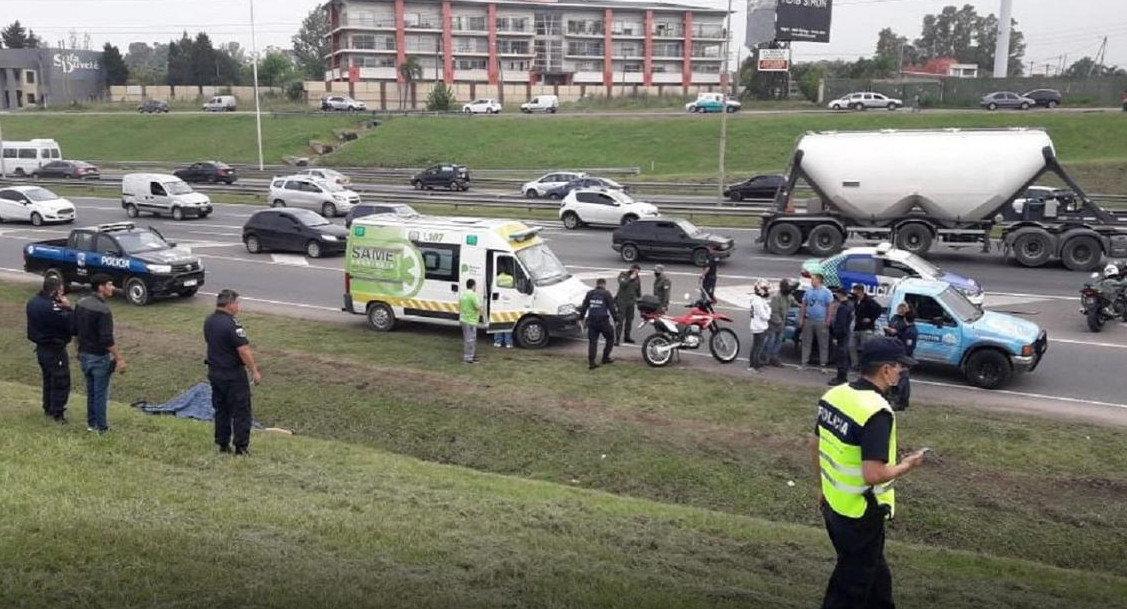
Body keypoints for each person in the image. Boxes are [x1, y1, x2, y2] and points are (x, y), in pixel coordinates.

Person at [812, 337, 929, 609]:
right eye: (900, 366)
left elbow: (815, 443)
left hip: (833, 506)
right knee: (849, 588)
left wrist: (820, 486)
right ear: (886, 370)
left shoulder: (835, 395)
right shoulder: (877, 412)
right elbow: (874, 474)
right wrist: (908, 465)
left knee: (876, 579)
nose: (902, 372)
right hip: (861, 514)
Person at [203, 289, 262, 455]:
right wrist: (254, 371)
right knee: (241, 410)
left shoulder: (209, 321)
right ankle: (241, 447)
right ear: (229, 305)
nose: (239, 306)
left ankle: (222, 444)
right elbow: (243, 350)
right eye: (237, 303)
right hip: (232, 375)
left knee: (221, 409)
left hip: (215, 372)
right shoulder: (231, 324)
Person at [72, 274, 127, 434]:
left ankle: (91, 424)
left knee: (91, 392)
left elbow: (74, 331)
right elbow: (107, 340)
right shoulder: (103, 311)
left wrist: (77, 350)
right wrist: (119, 358)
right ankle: (102, 428)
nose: (113, 288)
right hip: (99, 357)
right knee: (100, 393)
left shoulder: (81, 303)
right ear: (101, 287)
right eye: (110, 285)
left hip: (84, 355)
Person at [26, 276, 74, 424]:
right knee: (60, 380)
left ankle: (48, 407)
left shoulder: (33, 302)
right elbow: (70, 325)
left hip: (41, 348)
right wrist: (68, 308)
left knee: (48, 379)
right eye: (61, 290)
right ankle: (57, 413)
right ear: (56, 291)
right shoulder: (52, 307)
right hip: (54, 348)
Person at [578, 278, 619, 370]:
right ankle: (605, 357)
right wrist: (616, 319)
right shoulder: (606, 294)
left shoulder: (590, 293)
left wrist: (581, 318)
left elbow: (584, 306)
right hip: (603, 321)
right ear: (604, 285)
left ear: (596, 284)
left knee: (592, 342)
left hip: (592, 321)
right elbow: (612, 308)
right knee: (610, 337)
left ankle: (591, 362)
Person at [884, 303, 918, 411]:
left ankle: (899, 401)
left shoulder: (910, 332)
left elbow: (908, 347)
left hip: (904, 357)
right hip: (902, 356)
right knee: (904, 379)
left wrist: (902, 359)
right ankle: (903, 401)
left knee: (902, 379)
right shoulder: (906, 329)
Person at [799, 273, 834, 372]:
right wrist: (801, 318)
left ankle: (823, 364)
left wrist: (828, 319)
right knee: (806, 342)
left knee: (823, 343)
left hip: (821, 320)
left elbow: (830, 306)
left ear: (819, 280)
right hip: (809, 319)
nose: (811, 281)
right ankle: (804, 363)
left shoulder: (826, 292)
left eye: (813, 279)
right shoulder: (808, 291)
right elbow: (804, 304)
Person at [850, 285, 883, 371]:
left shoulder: (869, 301)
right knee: (851, 346)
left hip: (866, 328)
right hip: (857, 327)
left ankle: (865, 365)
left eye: (855, 292)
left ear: (860, 292)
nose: (854, 294)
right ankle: (855, 364)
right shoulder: (856, 301)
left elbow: (879, 309)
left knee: (865, 348)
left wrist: (871, 319)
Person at [763, 278, 795, 367]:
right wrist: (780, 322)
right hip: (773, 323)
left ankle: (774, 357)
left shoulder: (788, 296)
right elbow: (774, 313)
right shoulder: (776, 297)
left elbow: (792, 301)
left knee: (779, 341)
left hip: (782, 322)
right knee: (771, 340)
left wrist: (800, 304)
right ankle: (765, 357)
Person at [828, 288, 855, 386]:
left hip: (841, 335)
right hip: (846, 333)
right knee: (844, 356)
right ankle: (842, 376)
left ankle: (841, 377)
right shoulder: (850, 305)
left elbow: (841, 323)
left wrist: (836, 336)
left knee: (841, 356)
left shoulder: (842, 307)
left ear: (840, 294)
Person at [747, 280, 771, 372]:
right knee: (757, 347)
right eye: (765, 289)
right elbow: (765, 316)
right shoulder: (758, 302)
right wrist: (768, 310)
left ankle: (754, 364)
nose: (767, 291)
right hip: (759, 326)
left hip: (758, 325)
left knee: (756, 346)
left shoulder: (758, 300)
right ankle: (754, 366)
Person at [615, 264, 642, 345]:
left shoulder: (637, 278)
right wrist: (630, 278)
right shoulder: (623, 275)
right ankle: (617, 338)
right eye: (635, 270)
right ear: (632, 269)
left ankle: (627, 336)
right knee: (620, 320)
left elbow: (638, 290)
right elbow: (622, 284)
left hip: (631, 302)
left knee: (629, 321)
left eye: (638, 271)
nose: (636, 273)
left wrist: (640, 300)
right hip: (622, 301)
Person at [459, 278, 482, 364]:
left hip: (463, 319)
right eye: (475, 285)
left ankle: (470, 355)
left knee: (467, 339)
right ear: (473, 286)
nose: (476, 287)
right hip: (471, 321)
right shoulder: (473, 295)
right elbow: (478, 307)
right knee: (470, 340)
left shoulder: (463, 294)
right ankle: (469, 358)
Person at [493, 268, 515, 348]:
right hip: (508, 302)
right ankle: (508, 343)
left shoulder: (497, 278)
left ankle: (498, 342)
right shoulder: (510, 278)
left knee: (498, 324)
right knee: (508, 324)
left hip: (499, 303)